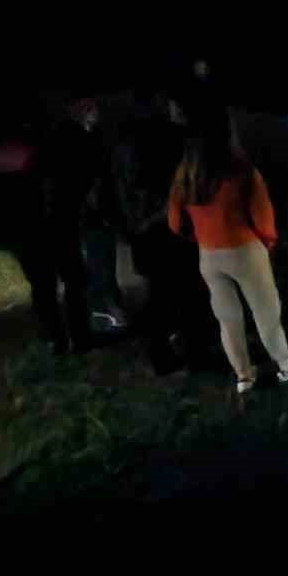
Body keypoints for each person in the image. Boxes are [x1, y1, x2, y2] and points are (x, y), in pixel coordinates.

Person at [169, 103, 288, 394]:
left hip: (209, 255)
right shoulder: (240, 170)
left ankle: (244, 375)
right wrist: (267, 241)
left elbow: (175, 220)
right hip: (244, 250)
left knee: (227, 318)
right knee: (266, 313)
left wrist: (199, 237)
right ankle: (286, 366)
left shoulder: (185, 174)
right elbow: (262, 214)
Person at [0, 105, 94, 355]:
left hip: (32, 232)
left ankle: (59, 339)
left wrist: (3, 233)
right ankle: (78, 337)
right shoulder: (50, 151)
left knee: (46, 288)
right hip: (54, 228)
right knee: (69, 283)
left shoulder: (2, 159)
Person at [113, 90, 208, 374]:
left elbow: (122, 189)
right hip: (174, 225)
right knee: (189, 290)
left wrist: (131, 226)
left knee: (161, 291)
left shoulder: (124, 144)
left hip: (147, 229)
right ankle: (193, 351)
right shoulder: (177, 138)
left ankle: (163, 353)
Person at [61, 97, 129, 332]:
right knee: (98, 259)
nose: (95, 112)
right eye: (89, 108)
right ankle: (105, 311)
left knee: (103, 259)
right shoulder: (78, 140)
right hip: (91, 212)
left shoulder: (95, 137)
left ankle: (109, 308)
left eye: (94, 107)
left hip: (100, 211)